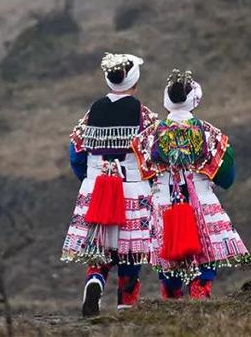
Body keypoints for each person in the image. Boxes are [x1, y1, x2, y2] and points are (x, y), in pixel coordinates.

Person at [131, 69, 251, 300]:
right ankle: (200, 292)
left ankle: (171, 294)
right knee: (205, 250)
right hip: (201, 198)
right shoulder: (209, 133)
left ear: (167, 100)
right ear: (194, 100)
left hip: (165, 200)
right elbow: (226, 172)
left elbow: (142, 172)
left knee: (169, 250)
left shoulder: (148, 135)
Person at [62, 52, 158, 317]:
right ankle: (126, 306)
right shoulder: (144, 115)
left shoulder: (92, 112)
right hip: (131, 187)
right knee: (130, 252)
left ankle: (95, 281)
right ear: (134, 83)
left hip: (97, 186)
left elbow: (76, 151)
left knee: (99, 247)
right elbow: (155, 153)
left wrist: (89, 178)